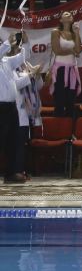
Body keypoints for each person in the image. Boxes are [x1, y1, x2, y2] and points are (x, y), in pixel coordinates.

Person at [2, 34, 28, 183]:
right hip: (0, 107)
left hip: (11, 107)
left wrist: (22, 45)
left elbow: (20, 59)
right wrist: (7, 42)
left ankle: (11, 173)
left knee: (12, 141)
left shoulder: (6, 60)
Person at [50, 12, 82, 117]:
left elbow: (78, 50)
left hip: (72, 70)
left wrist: (77, 33)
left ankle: (70, 130)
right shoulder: (56, 32)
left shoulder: (74, 33)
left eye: (70, 14)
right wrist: (72, 51)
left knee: (71, 101)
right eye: (65, 14)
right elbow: (57, 50)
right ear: (61, 20)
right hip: (60, 69)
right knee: (59, 100)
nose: (69, 14)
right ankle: (58, 130)